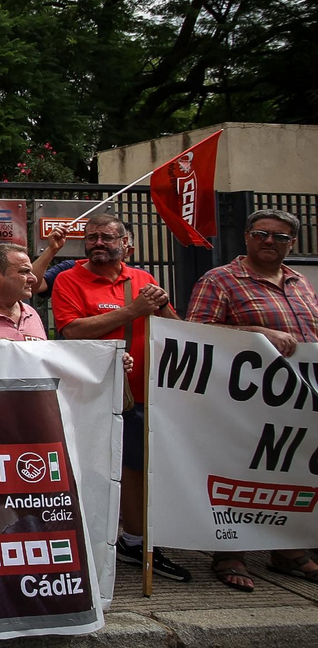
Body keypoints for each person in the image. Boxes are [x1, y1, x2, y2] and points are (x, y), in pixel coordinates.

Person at [50, 212, 187, 583]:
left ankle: (133, 541)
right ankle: (118, 540)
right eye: (92, 237)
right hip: (96, 395)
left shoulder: (142, 278)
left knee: (140, 471)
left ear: (126, 244)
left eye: (107, 238)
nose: (98, 243)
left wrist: (161, 305)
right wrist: (132, 311)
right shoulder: (68, 279)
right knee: (107, 470)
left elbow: (171, 330)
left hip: (145, 395)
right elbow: (72, 331)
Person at [186, 209, 318, 591]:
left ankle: (288, 551)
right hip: (240, 402)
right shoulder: (221, 280)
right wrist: (256, 332)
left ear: (291, 244)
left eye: (279, 236)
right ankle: (230, 552)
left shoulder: (300, 282)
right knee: (239, 473)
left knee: (287, 473)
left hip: (294, 402)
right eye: (261, 233)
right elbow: (196, 332)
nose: (269, 241)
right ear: (246, 237)